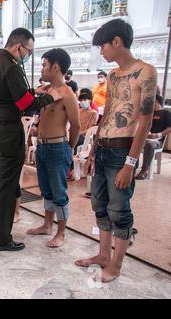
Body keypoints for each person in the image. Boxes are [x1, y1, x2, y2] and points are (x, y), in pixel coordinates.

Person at [75, 19, 158, 283]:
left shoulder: (145, 71)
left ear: (117, 42)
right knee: (99, 204)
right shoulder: (112, 76)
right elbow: (107, 115)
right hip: (103, 149)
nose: (101, 51)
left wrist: (130, 163)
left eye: (103, 46)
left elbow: (144, 121)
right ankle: (102, 255)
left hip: (124, 149)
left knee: (119, 209)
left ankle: (116, 265)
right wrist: (90, 154)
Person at [0, 28, 61, 252]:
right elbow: (26, 104)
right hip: (7, 132)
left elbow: (7, 95)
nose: (28, 56)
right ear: (19, 47)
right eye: (29, 51)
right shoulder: (11, 67)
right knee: (7, 184)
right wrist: (49, 97)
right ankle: (2, 239)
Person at [26, 49, 81, 248]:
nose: (42, 68)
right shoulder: (47, 91)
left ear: (56, 67)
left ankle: (61, 232)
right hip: (42, 147)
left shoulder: (68, 94)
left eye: (44, 65)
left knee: (59, 191)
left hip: (58, 147)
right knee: (46, 189)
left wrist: (69, 148)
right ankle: (47, 224)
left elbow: (76, 125)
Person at [135, 93, 171, 180]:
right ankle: (133, 167)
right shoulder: (148, 114)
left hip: (157, 141)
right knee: (130, 142)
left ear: (156, 101)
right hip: (144, 137)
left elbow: (170, 128)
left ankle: (144, 170)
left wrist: (158, 135)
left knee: (150, 145)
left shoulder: (165, 113)